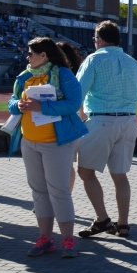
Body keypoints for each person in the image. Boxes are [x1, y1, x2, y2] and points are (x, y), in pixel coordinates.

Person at [8, 38, 88, 257]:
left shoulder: (63, 74)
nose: (27, 57)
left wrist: (42, 106)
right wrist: (18, 105)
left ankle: (68, 240)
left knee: (59, 190)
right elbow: (12, 100)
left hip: (56, 142)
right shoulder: (25, 76)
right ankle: (45, 238)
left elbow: (73, 103)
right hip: (29, 142)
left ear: (43, 55)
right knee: (39, 192)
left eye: (31, 53)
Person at [75, 21, 137, 239]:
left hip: (101, 120)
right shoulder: (133, 63)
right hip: (128, 121)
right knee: (120, 175)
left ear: (99, 39)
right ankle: (123, 224)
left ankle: (102, 218)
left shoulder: (94, 59)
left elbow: (77, 93)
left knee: (86, 171)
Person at [57, 41, 84, 193]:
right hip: (73, 122)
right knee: (66, 165)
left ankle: (65, 196)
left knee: (65, 165)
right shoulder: (74, 72)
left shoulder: (68, 75)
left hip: (69, 122)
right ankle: (66, 196)